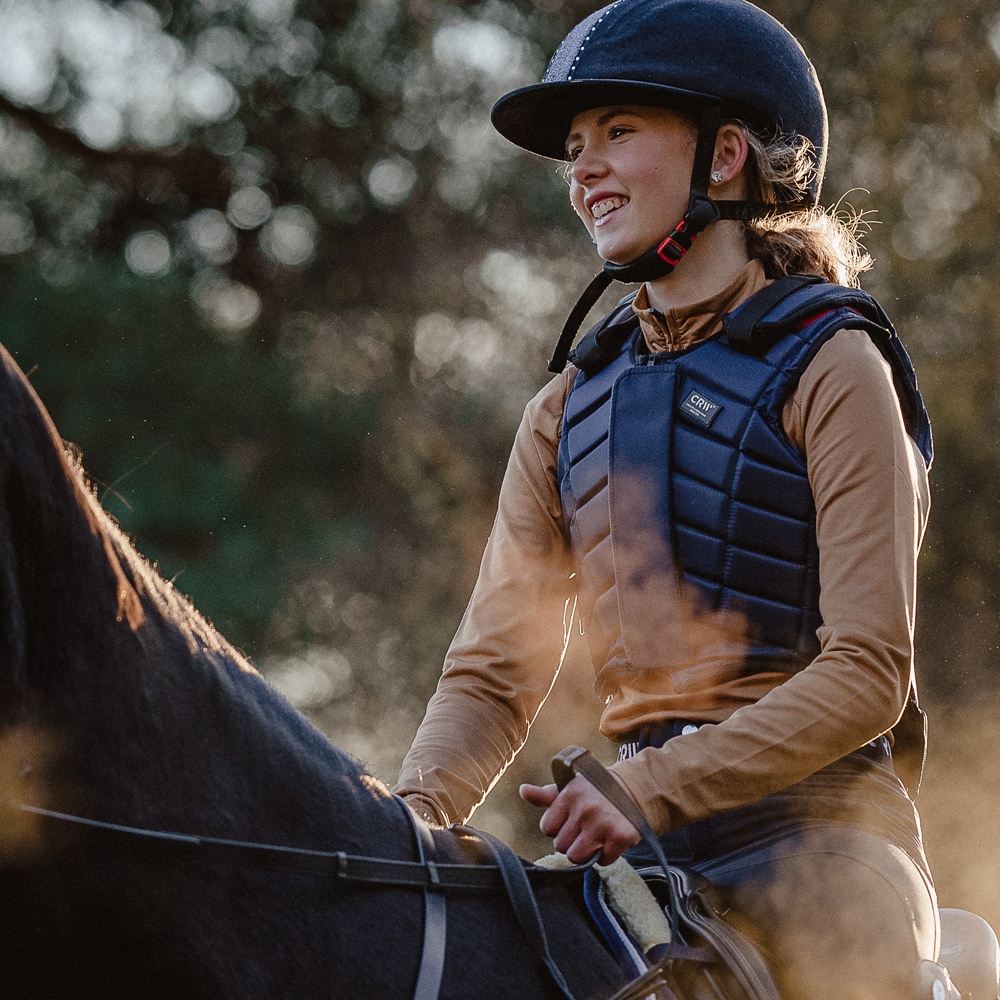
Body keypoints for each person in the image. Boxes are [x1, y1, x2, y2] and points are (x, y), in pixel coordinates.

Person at [393, 1, 940, 997]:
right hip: (634, 856)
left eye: (619, 132)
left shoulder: (837, 365)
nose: (583, 169)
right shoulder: (562, 411)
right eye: (572, 146)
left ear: (725, 154)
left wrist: (643, 787)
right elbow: (488, 678)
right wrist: (404, 823)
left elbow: (869, 672)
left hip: (823, 841)